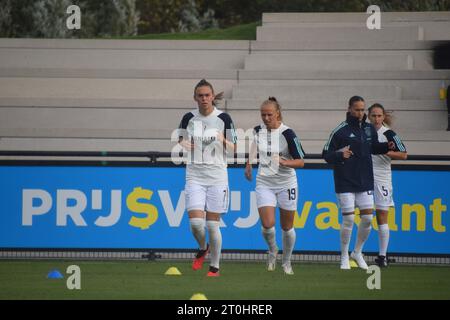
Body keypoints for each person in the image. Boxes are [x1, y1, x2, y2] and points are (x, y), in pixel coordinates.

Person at [322, 96, 395, 270]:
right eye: (357, 109)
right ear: (349, 109)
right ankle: (344, 257)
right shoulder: (340, 131)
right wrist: (340, 155)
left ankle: (357, 251)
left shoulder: (369, 129)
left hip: (365, 180)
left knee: (368, 218)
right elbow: (325, 154)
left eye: (363, 110)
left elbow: (373, 147)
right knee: (348, 219)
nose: (360, 113)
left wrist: (387, 147)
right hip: (345, 180)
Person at [177, 79, 237, 277]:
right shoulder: (188, 118)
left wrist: (223, 139)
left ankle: (215, 267)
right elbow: (180, 138)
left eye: (207, 95)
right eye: (200, 95)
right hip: (194, 174)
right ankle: (203, 248)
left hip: (217, 176)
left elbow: (236, 148)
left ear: (212, 97)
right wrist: (185, 144)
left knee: (212, 225)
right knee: (195, 223)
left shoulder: (224, 118)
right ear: (195, 97)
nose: (204, 98)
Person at [245, 97, 305, 275]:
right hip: (264, 181)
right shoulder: (258, 130)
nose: (266, 118)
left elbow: (301, 162)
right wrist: (249, 163)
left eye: (269, 114)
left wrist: (285, 163)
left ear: (277, 113)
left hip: (286, 183)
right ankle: (272, 251)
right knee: (267, 223)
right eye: (263, 114)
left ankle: (287, 262)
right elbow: (256, 144)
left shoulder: (288, 134)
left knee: (287, 227)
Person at [368, 103, 407, 267]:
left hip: (382, 178)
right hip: (365, 178)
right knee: (364, 216)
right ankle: (356, 252)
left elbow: (404, 154)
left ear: (383, 117)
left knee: (381, 217)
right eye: (373, 115)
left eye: (379, 116)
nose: (376, 119)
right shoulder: (364, 132)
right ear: (368, 116)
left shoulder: (389, 133)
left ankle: (382, 256)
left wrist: (384, 151)